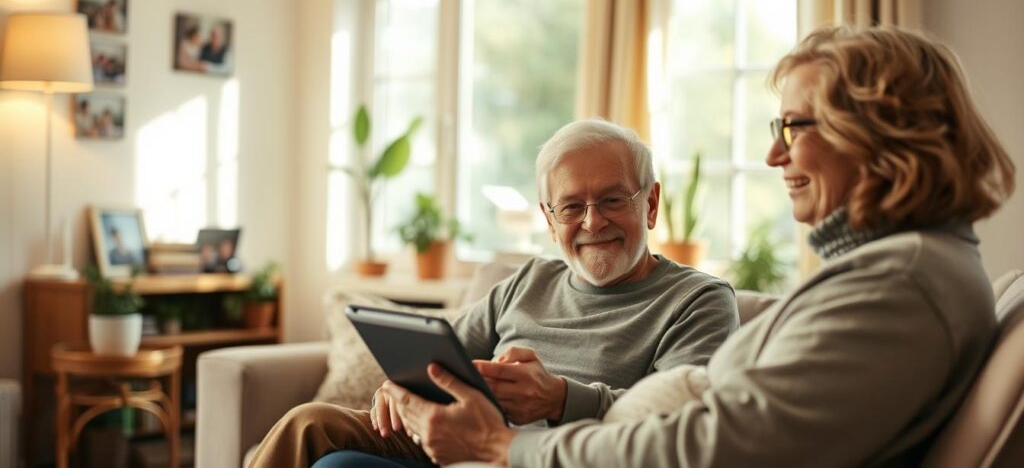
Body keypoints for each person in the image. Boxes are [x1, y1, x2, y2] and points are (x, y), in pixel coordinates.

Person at [381, 25, 1017, 467]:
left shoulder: (899, 283)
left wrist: (504, 448)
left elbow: (712, 449)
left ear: (882, 130)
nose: (774, 154)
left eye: (794, 127)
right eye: (571, 206)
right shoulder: (901, 267)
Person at [248, 119, 740, 468]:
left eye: (613, 200)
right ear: (549, 221)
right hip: (452, 445)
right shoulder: (529, 281)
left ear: (650, 203)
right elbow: (440, 353)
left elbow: (683, 425)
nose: (593, 222)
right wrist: (400, 387)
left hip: (545, 458)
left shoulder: (698, 300)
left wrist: (560, 399)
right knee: (309, 424)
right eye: (571, 207)